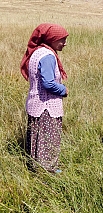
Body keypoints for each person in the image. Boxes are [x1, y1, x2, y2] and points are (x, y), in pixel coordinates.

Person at [20, 23, 69, 174]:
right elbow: (48, 83)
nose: (65, 43)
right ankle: (48, 171)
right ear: (52, 39)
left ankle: (36, 168)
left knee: (37, 139)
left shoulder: (37, 52)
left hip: (36, 104)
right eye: (62, 40)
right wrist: (63, 89)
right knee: (49, 140)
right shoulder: (47, 56)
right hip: (47, 106)